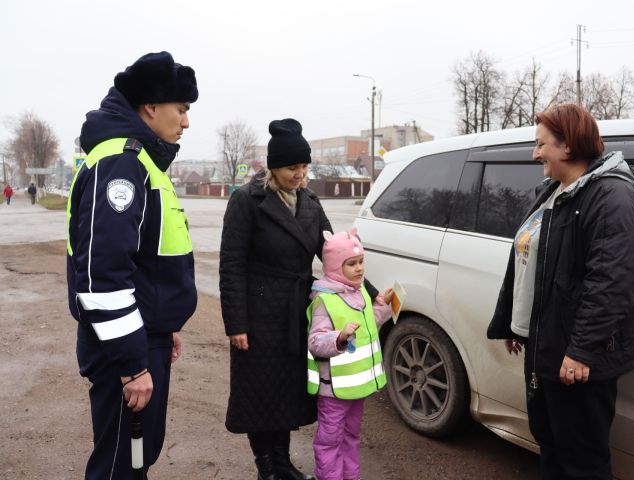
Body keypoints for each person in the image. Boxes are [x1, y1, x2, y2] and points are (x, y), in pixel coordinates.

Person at [487, 104, 634, 480]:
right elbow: (529, 263)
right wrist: (514, 325)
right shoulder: (554, 191)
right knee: (550, 440)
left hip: (576, 356)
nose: (534, 154)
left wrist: (582, 349)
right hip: (546, 342)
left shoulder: (611, 197)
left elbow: (612, 282)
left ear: (567, 147)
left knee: (581, 458)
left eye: (541, 144)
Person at [220, 118, 380, 480]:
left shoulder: (309, 201)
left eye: (305, 166)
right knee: (260, 392)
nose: (301, 174)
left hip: (296, 310)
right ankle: (267, 467)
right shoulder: (247, 201)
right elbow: (231, 266)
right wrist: (237, 323)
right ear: (274, 167)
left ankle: (283, 462)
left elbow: (333, 254)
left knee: (286, 392)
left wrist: (369, 293)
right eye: (293, 167)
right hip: (259, 312)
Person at [66, 51, 198, 479]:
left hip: (144, 336)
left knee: (137, 459)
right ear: (151, 107)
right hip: (125, 347)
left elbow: (144, 260)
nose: (186, 122)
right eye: (181, 109)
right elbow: (102, 275)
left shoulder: (140, 161)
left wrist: (164, 324)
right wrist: (132, 364)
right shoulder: (122, 163)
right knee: (119, 467)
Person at [307, 228, 392, 480]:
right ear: (334, 267)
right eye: (351, 264)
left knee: (352, 436)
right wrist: (339, 337)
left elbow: (368, 328)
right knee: (329, 441)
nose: (359, 269)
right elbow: (315, 342)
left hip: (358, 387)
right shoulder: (325, 300)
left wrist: (383, 306)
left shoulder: (360, 291)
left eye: (361, 262)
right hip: (334, 391)